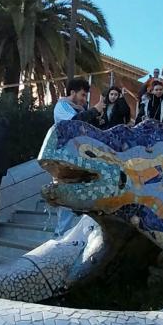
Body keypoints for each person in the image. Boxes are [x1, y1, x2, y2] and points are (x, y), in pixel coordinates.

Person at [53, 79, 104, 236]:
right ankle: (60, 238)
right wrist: (94, 110)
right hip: (65, 161)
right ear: (72, 92)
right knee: (67, 203)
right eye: (82, 94)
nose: (84, 99)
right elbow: (73, 124)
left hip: (79, 161)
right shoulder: (61, 106)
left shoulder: (79, 109)